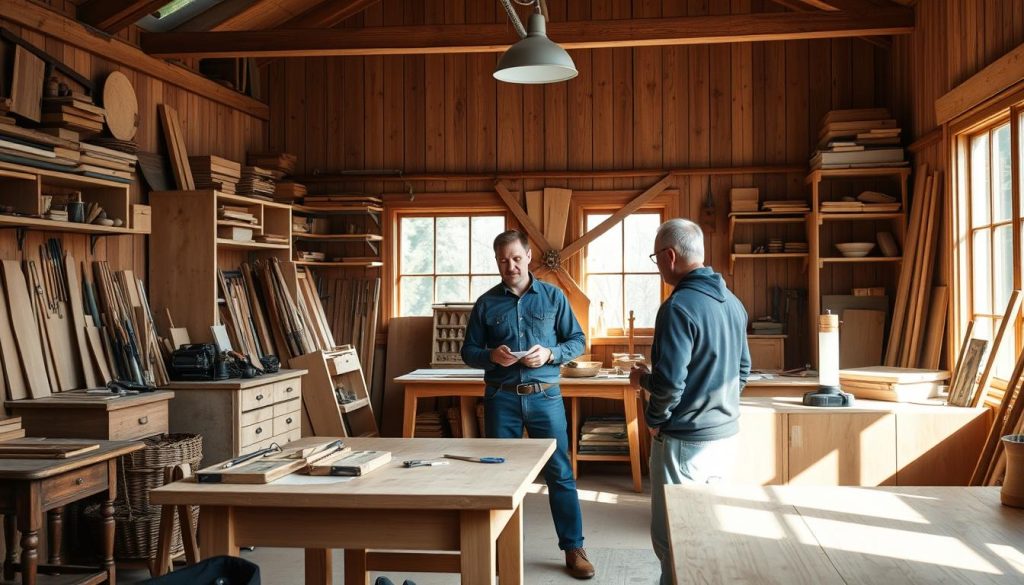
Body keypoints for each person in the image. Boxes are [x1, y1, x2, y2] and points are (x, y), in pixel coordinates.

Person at [461, 229, 595, 580]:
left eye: (516, 258)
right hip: (500, 399)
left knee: (560, 475)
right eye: (503, 260)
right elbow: (468, 352)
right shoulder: (486, 303)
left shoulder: (553, 297)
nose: (511, 266)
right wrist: (491, 355)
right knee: (497, 476)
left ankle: (574, 548)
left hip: (545, 397)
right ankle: (492, 547)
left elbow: (578, 340)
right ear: (497, 262)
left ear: (529, 256)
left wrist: (552, 353)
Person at [629, 218, 750, 585]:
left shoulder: (678, 306)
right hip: (725, 438)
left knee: (673, 541)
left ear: (669, 256)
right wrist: (718, 404)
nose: (658, 265)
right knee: (708, 532)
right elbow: (742, 370)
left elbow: (668, 384)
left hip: (684, 441)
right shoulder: (732, 302)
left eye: (656, 257)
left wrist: (651, 410)